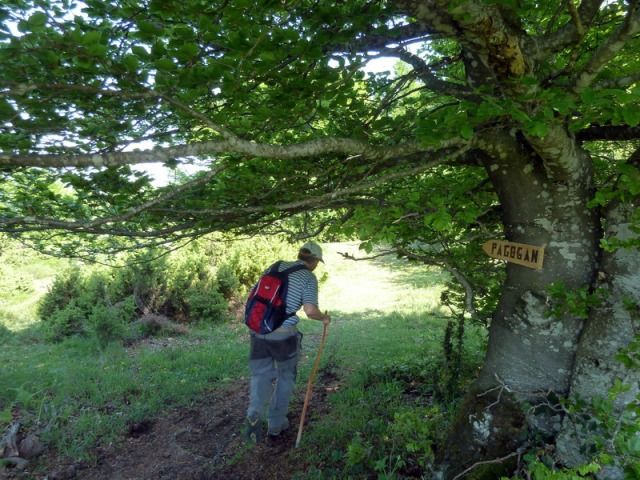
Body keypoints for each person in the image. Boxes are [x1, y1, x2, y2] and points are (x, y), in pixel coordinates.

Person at [245, 241, 331, 443]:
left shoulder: (276, 266)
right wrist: (324, 319)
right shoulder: (308, 277)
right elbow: (310, 311)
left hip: (258, 330)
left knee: (260, 375)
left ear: (300, 255)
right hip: (284, 335)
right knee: (285, 377)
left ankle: (253, 418)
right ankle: (275, 426)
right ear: (315, 261)